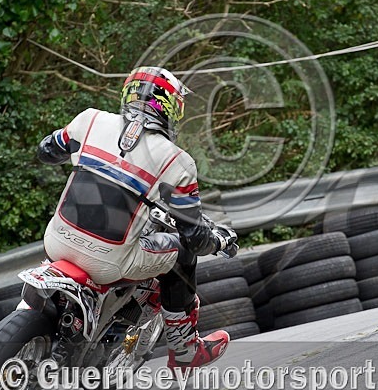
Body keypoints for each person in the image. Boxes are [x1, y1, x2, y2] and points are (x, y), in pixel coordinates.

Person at [36, 66, 237, 370]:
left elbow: (47, 151)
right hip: (110, 262)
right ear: (170, 109)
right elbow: (194, 238)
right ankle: (185, 349)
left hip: (56, 243)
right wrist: (220, 239)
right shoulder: (177, 161)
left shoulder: (88, 120)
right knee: (181, 255)